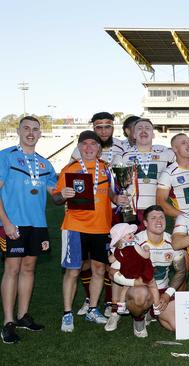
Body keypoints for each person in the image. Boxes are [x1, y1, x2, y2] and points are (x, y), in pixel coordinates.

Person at [54, 131, 128, 332]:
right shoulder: (69, 169)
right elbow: (56, 199)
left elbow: (112, 193)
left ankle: (92, 309)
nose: (88, 148)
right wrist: (62, 195)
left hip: (101, 227)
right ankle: (67, 313)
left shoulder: (106, 168)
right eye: (84, 144)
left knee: (99, 270)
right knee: (73, 270)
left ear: (99, 148)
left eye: (93, 144)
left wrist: (117, 199)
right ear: (79, 147)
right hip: (75, 227)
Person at [0, 116, 58, 343]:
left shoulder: (46, 163)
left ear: (40, 133)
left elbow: (56, 196)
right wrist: (5, 221)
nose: (31, 132)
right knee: (12, 269)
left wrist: (67, 194)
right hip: (13, 222)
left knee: (29, 267)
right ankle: (8, 321)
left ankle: (23, 315)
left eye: (35, 129)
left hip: (38, 224)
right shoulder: (6, 156)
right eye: (26, 128)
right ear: (18, 130)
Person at [111, 205, 186, 336]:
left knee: (177, 325)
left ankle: (151, 313)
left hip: (161, 290)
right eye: (153, 218)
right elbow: (112, 272)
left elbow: (181, 272)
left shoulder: (173, 243)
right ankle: (138, 319)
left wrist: (168, 294)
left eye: (161, 217)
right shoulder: (133, 241)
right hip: (139, 287)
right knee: (140, 295)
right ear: (145, 223)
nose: (159, 221)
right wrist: (134, 283)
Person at [107, 223, 160, 320]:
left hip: (127, 272)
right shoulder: (134, 245)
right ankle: (156, 307)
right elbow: (145, 256)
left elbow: (110, 260)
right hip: (141, 271)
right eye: (128, 234)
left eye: (131, 233)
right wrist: (146, 249)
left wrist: (113, 254)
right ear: (121, 238)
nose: (131, 235)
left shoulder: (117, 249)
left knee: (125, 287)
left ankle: (121, 306)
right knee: (153, 286)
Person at [156, 133, 189, 218]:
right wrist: (186, 217)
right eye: (183, 143)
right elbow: (160, 202)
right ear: (175, 148)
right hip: (184, 225)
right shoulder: (168, 173)